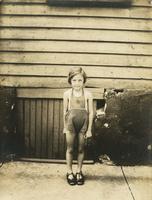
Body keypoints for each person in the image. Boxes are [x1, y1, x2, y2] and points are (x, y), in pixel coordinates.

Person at [63, 67, 93, 186]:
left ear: (84, 81)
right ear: (70, 81)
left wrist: (89, 129)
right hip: (70, 124)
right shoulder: (66, 94)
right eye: (74, 80)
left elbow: (91, 113)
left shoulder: (88, 94)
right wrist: (65, 127)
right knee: (70, 149)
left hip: (83, 124)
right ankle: (69, 172)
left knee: (81, 149)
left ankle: (79, 171)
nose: (77, 83)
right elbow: (64, 112)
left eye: (80, 80)